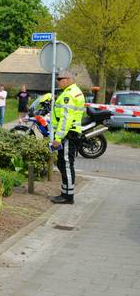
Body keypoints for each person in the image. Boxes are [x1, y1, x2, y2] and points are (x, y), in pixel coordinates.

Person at [50, 70, 85, 205]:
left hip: (67, 134)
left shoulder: (69, 95)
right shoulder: (71, 91)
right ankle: (65, 193)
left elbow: (65, 119)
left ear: (68, 79)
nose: (58, 81)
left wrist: (58, 138)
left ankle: (68, 196)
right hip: (69, 133)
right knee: (63, 163)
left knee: (66, 164)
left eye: (60, 79)